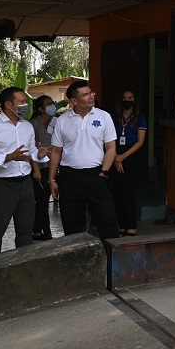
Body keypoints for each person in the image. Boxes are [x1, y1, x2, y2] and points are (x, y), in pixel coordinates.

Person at [48, 80, 120, 239]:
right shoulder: (62, 121)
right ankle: (77, 261)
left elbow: (111, 148)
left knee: (107, 220)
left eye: (91, 92)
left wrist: (104, 173)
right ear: (74, 101)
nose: (91, 96)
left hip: (97, 175)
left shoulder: (104, 117)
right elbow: (56, 151)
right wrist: (52, 179)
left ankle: (112, 262)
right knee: (71, 223)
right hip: (69, 178)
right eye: (86, 94)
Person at [0, 87, 40, 257]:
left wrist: (40, 154)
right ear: (8, 104)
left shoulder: (27, 126)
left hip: (25, 184)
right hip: (3, 185)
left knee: (26, 230)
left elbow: (31, 151)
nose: (26, 105)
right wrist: (9, 157)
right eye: (21, 102)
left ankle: (24, 266)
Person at [110, 90, 147, 237]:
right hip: (114, 153)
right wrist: (115, 157)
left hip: (131, 155)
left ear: (134, 100)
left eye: (130, 98)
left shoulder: (139, 118)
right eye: (124, 98)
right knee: (117, 192)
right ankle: (122, 225)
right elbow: (108, 138)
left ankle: (131, 225)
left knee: (127, 192)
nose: (127, 100)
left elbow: (141, 142)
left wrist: (122, 157)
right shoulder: (114, 117)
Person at [29, 95, 57, 240]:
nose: (52, 106)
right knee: (41, 201)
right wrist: (36, 169)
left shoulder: (55, 122)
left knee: (44, 200)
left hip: (52, 167)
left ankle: (38, 230)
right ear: (41, 109)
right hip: (39, 168)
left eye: (53, 103)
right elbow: (30, 148)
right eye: (49, 104)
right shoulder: (33, 124)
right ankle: (45, 231)